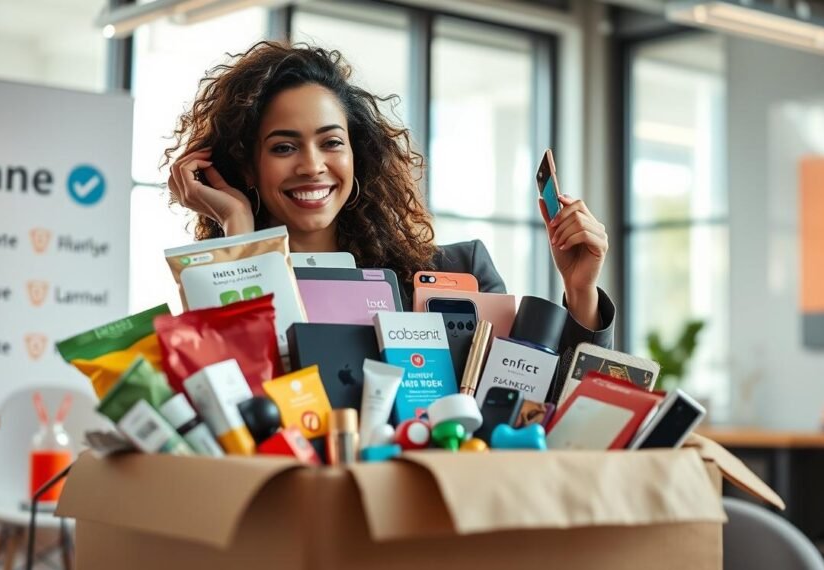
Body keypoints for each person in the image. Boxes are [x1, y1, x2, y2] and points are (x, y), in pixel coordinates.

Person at [165, 42, 616, 391]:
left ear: (357, 154)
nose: (311, 165)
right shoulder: (221, 278)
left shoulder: (461, 272)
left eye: (331, 142)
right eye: (283, 147)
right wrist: (238, 233)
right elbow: (239, 411)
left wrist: (581, 293)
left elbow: (549, 408)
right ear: (248, 167)